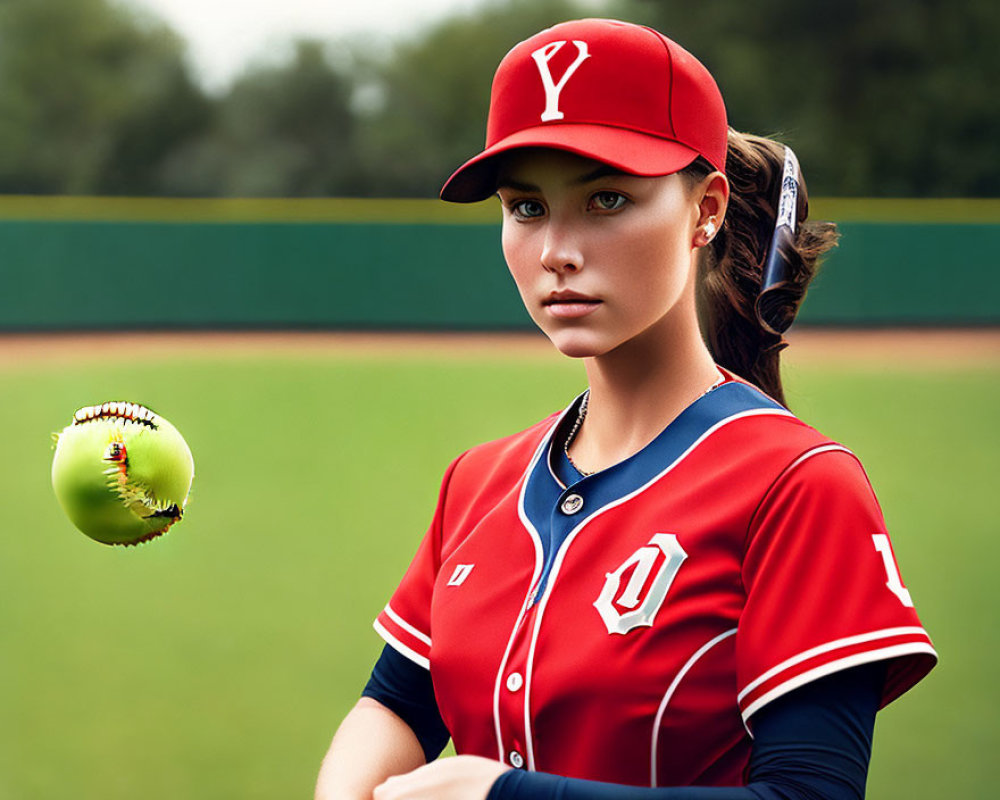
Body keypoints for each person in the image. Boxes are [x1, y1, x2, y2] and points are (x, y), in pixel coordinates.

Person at [315, 18, 936, 800]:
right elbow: (396, 706)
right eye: (526, 207)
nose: (556, 251)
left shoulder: (800, 486)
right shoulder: (477, 484)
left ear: (705, 210)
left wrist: (505, 797)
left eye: (606, 199)